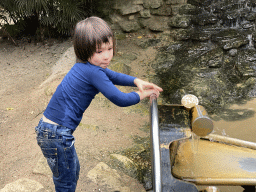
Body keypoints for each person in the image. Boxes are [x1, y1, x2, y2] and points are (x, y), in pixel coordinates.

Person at [35, 16, 163, 192]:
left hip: (49, 131)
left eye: (109, 48)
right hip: (57, 134)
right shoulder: (92, 72)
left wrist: (136, 81)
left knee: (71, 172)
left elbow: (113, 76)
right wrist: (144, 94)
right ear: (84, 50)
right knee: (66, 182)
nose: (107, 56)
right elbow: (120, 99)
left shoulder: (86, 67)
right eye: (99, 51)